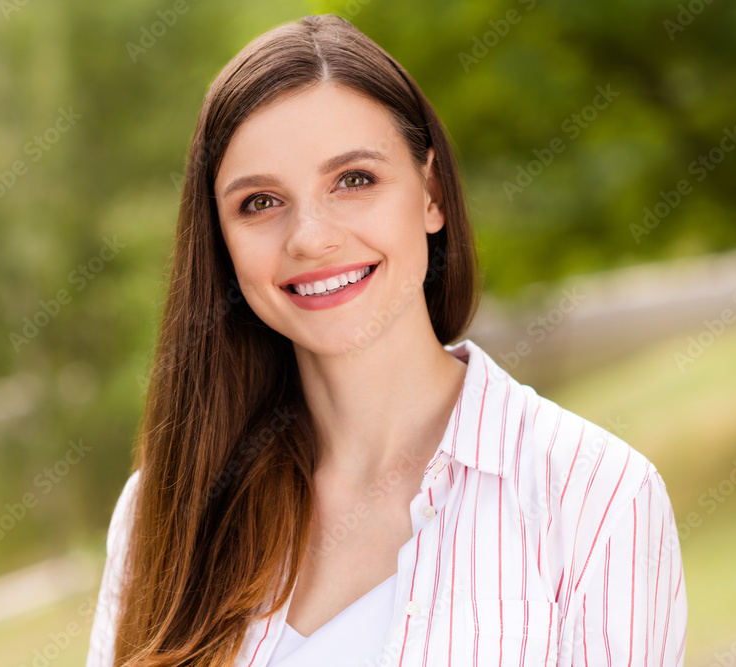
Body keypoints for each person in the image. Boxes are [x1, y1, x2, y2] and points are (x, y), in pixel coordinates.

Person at [87, 14, 687, 667]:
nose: (310, 237)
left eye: (353, 180)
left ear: (430, 193)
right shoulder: (163, 511)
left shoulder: (596, 496)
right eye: (260, 201)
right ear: (221, 242)